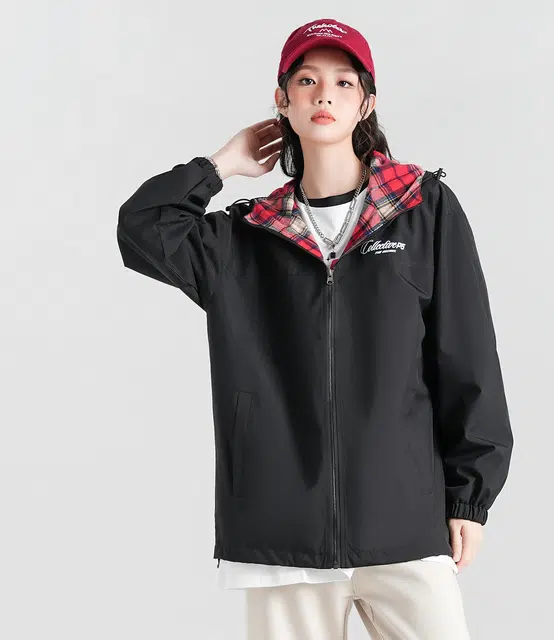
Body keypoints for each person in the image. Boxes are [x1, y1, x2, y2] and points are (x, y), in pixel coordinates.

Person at [116, 17, 513, 640]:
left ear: (366, 103)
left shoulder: (422, 209)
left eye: (343, 82)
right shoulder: (245, 237)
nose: (324, 94)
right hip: (282, 533)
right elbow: (141, 228)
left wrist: (470, 497)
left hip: (404, 519)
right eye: (306, 81)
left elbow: (468, 357)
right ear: (282, 101)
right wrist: (221, 165)